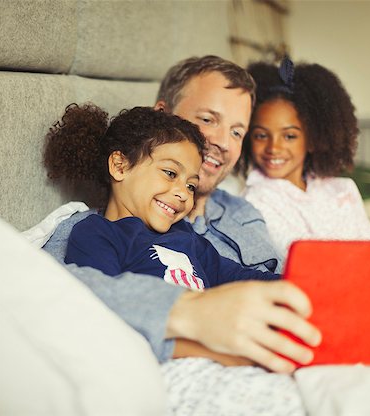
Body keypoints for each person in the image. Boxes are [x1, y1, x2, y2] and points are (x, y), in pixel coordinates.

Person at [42, 55, 321, 373]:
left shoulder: (230, 219)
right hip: (181, 360)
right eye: (208, 119)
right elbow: (76, 300)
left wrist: (310, 286)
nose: (220, 142)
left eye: (237, 132)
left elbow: (240, 275)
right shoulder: (92, 230)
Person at [45, 103, 278, 289]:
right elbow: (107, 298)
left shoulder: (187, 237)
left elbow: (237, 277)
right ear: (120, 166)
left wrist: (295, 284)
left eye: (191, 186)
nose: (183, 193)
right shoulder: (97, 233)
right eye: (170, 173)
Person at [237, 57, 370, 258]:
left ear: (313, 139)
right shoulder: (254, 202)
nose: (274, 147)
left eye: (289, 136)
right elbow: (306, 261)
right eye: (261, 135)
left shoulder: (342, 191)